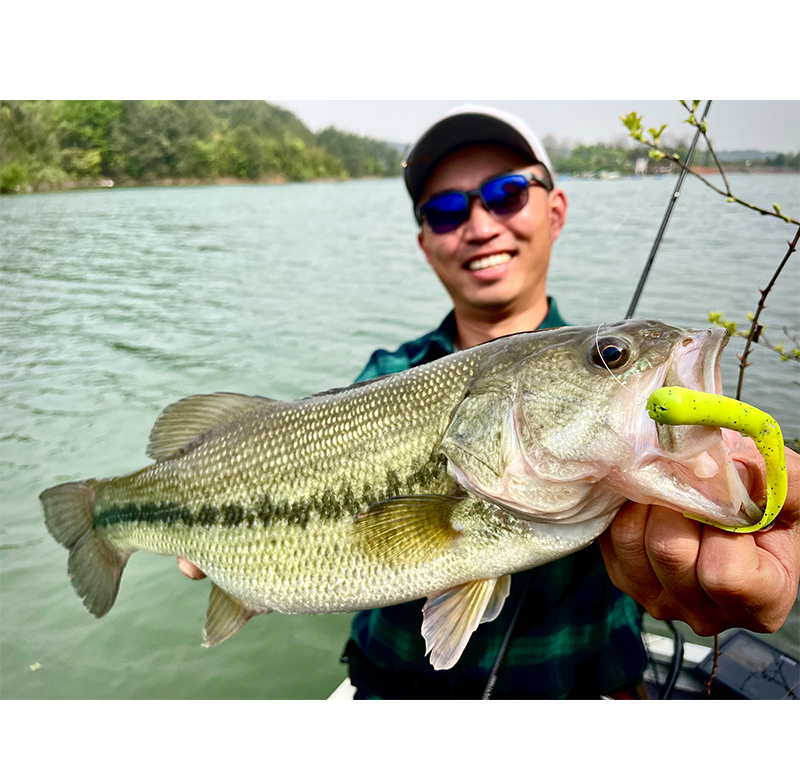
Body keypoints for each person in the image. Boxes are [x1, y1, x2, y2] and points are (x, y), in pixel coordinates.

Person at [178, 105, 800, 699]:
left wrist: (726, 529)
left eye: (506, 193)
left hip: (575, 693)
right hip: (391, 694)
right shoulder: (384, 377)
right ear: (425, 241)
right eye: (446, 210)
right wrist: (235, 538)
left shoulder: (632, 417)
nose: (479, 225)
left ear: (555, 211)